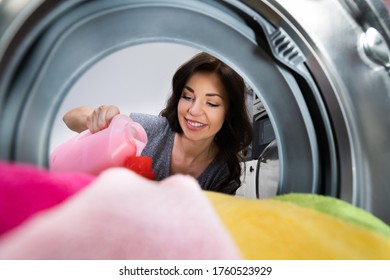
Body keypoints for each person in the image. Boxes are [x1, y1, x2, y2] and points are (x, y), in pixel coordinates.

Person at [63, 52, 252, 194]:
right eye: (187, 97)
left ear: (229, 112)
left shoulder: (222, 173)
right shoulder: (147, 131)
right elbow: (69, 118)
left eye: (211, 103)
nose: (193, 111)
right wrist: (97, 117)